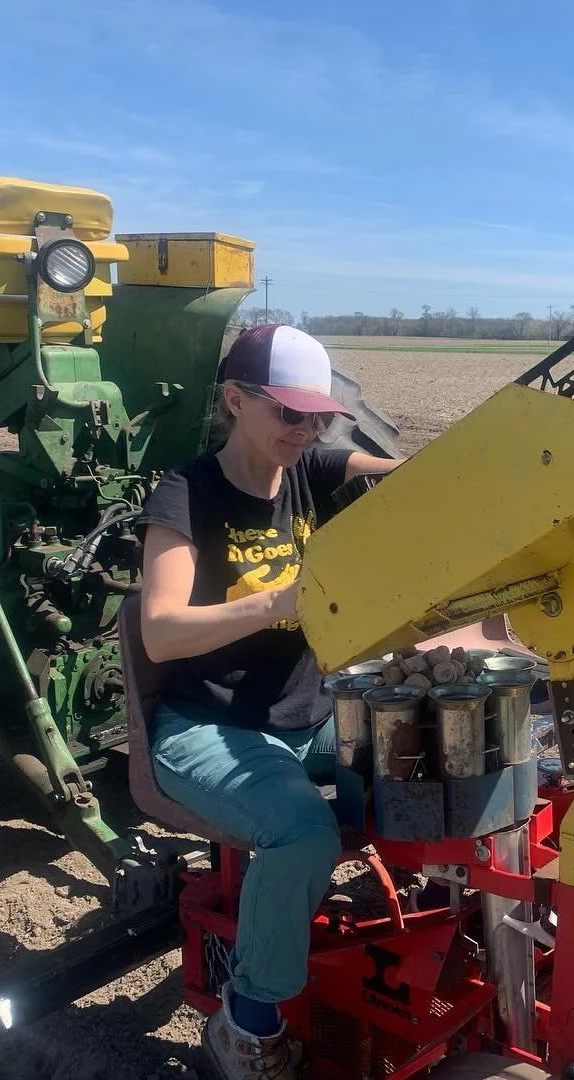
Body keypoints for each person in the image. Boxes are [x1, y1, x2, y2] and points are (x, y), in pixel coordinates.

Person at [138, 323, 401, 1080]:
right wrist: (280, 602)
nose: (306, 428)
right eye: (288, 413)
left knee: (433, 764)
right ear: (234, 399)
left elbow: (405, 476)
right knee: (302, 834)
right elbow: (159, 632)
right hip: (208, 728)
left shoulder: (310, 470)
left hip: (306, 714)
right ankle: (246, 1023)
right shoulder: (186, 495)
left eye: (317, 415)